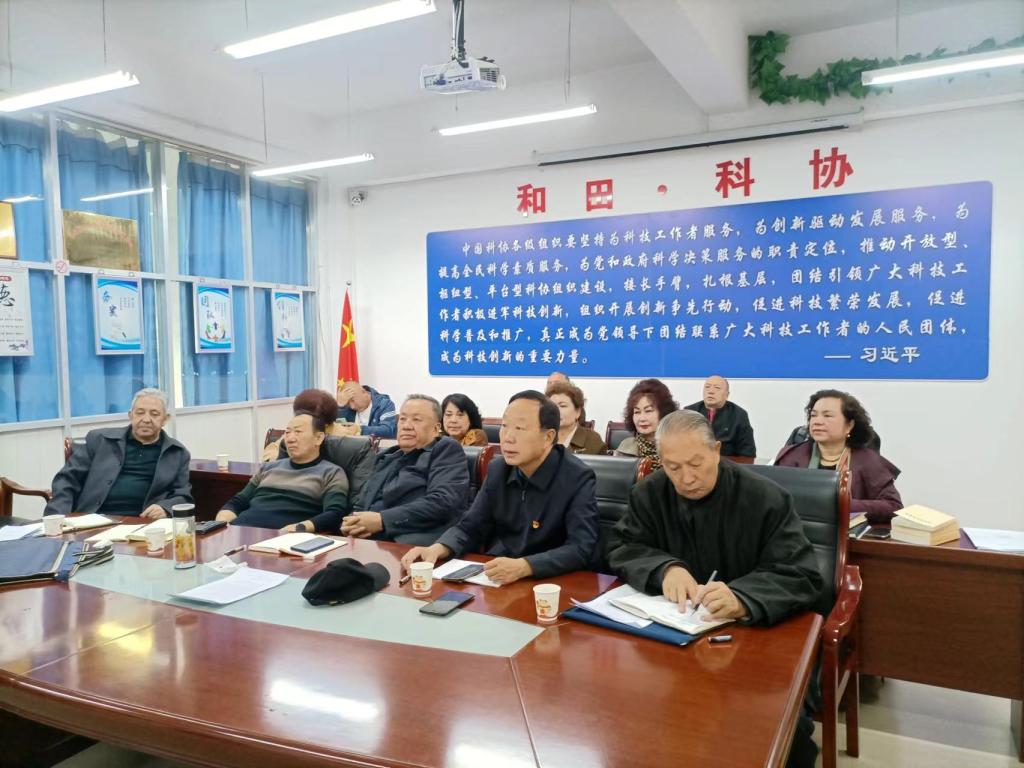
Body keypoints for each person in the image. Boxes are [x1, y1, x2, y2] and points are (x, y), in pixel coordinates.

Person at [608, 409, 824, 768]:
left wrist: (743, 597)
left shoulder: (765, 498)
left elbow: (801, 573)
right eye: (673, 467)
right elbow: (623, 546)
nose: (687, 478)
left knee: (770, 734)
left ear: (717, 451)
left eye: (696, 464)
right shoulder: (650, 493)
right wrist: (665, 569)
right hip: (673, 642)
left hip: (753, 645)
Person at [401, 390, 599, 585]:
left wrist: (526, 566)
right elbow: (471, 526)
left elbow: (581, 547)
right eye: (504, 426)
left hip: (552, 582)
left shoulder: (576, 477)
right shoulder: (499, 469)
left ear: (548, 437)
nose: (507, 438)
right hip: (499, 576)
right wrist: (437, 548)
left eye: (520, 428)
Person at [342, 395, 470, 546]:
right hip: (365, 540)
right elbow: (362, 501)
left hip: (410, 543)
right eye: (402, 419)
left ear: (436, 429)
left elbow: (442, 502)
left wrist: (382, 520)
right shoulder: (387, 456)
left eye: (416, 419)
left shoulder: (446, 449)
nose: (406, 426)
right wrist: (352, 522)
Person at [45, 388, 191, 519]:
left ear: (165, 419)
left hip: (142, 523)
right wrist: (57, 517)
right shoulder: (100, 440)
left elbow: (182, 495)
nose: (146, 420)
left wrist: (165, 508)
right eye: (140, 413)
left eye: (154, 414)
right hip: (92, 519)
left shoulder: (177, 453)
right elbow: (67, 480)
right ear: (130, 415)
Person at [774, 389, 903, 524]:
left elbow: (894, 506)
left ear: (849, 425)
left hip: (847, 534)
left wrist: (844, 505)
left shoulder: (867, 461)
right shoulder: (792, 456)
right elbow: (774, 499)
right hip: (797, 531)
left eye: (827, 416)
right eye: (813, 415)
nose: (817, 421)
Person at [216, 412, 348, 532]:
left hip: (284, 538)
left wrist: (300, 528)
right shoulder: (268, 468)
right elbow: (237, 502)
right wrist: (220, 526)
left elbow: (335, 514)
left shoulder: (332, 473)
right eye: (287, 432)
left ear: (318, 438)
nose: (290, 439)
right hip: (243, 531)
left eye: (298, 432)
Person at [261, 388, 376, 510]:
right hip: (292, 489)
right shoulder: (293, 434)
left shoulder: (346, 436)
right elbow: (272, 451)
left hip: (327, 494)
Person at [684, 375, 756, 457]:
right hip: (694, 461)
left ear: (727, 394)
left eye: (717, 388)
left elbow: (748, 452)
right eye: (707, 387)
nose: (711, 391)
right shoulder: (689, 412)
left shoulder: (739, 414)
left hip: (727, 463)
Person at [615, 378, 678, 470]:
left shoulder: (679, 447)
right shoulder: (625, 448)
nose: (642, 418)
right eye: (637, 412)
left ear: (664, 412)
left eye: (648, 411)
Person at [545, 381, 607, 455]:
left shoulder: (593, 440)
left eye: (562, 406)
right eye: (552, 406)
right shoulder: (540, 436)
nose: (556, 410)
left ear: (578, 412)